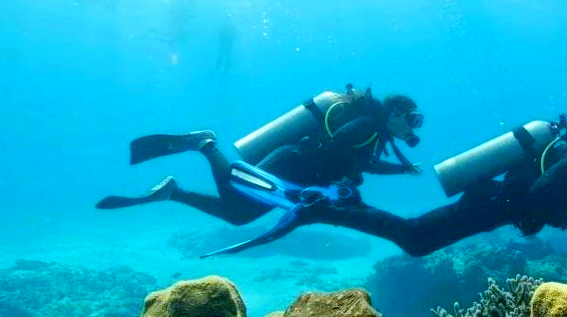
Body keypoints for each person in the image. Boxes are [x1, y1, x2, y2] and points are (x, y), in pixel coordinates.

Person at [205, 116, 567, 258]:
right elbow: (543, 191)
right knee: (414, 238)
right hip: (492, 205)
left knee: (415, 238)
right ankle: (324, 208)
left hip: (491, 202)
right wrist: (553, 215)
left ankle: (331, 208)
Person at [95, 87, 424, 227]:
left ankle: (173, 192)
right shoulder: (369, 124)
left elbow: (358, 160)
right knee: (234, 193)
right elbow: (341, 148)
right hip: (291, 164)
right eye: (411, 118)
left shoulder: (375, 132)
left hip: (297, 177)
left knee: (238, 216)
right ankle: (205, 144)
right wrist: (363, 173)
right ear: (393, 114)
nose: (413, 125)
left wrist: (395, 170)